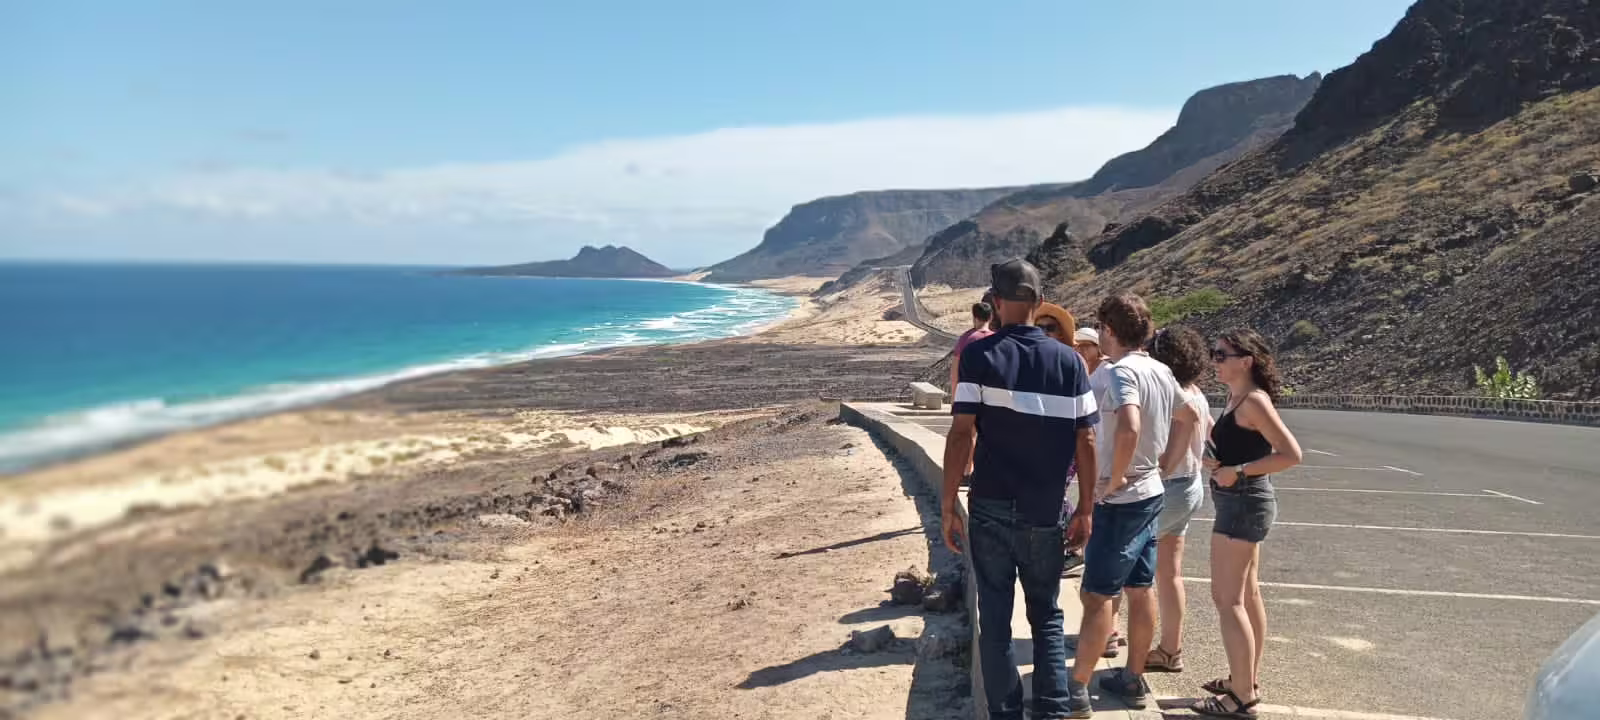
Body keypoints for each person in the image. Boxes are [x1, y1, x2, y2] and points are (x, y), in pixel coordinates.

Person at [942, 259, 1100, 719]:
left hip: (991, 504)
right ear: (1037, 301)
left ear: (997, 300)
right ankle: (1051, 713)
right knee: (1046, 617)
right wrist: (1085, 509)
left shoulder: (980, 355)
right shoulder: (1070, 361)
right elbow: (1086, 438)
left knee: (995, 619)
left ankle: (1006, 714)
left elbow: (961, 434)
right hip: (1044, 509)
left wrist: (949, 502)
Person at [1070, 294, 1180, 711]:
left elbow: (1130, 425)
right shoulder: (1163, 371)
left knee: (1097, 594)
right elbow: (1184, 419)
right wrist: (1161, 465)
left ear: (1109, 330)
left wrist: (1112, 481)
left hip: (1123, 497)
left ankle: (1077, 688)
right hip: (1150, 490)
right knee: (1140, 586)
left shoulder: (1121, 373)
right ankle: (1133, 678)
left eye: (1100, 328)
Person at [1192, 328, 1302, 719]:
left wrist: (1237, 472)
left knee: (1227, 598)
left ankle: (1241, 695)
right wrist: (1219, 462)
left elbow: (1291, 454)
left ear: (1246, 361)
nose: (1214, 360)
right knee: (1247, 595)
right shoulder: (1235, 397)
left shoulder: (1254, 401)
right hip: (1238, 500)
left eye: (1221, 354)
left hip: (1244, 503)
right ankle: (1245, 679)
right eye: (1214, 352)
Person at [1144, 327, 1212, 674]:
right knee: (1169, 572)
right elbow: (1210, 435)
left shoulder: (1169, 394)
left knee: (1121, 569)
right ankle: (1170, 649)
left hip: (1165, 486)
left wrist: (1158, 467)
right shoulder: (1196, 392)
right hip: (1191, 486)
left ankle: (1108, 635)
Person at [1035, 303, 1086, 578]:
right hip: (1041, 441)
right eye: (1038, 327)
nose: (1043, 332)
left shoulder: (1072, 361)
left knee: (1057, 494)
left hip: (1065, 442)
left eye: (1049, 328)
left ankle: (1072, 551)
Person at [949, 301, 996, 392]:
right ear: (991, 317)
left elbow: (955, 373)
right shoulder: (998, 339)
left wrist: (954, 399)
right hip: (992, 392)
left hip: (969, 393)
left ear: (974, 318)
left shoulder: (965, 339)